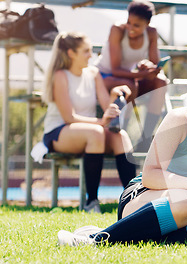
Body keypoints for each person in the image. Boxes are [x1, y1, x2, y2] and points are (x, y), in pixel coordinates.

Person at [57, 56, 187, 246]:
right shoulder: (180, 119)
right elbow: (150, 175)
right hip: (146, 199)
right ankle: (97, 240)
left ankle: (129, 237)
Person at [42, 32, 136, 213]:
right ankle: (92, 202)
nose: (90, 55)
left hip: (93, 131)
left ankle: (132, 200)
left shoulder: (93, 73)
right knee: (97, 133)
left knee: (121, 137)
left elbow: (106, 105)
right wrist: (101, 122)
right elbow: (69, 117)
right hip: (58, 132)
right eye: (85, 51)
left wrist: (115, 94)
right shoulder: (60, 75)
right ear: (71, 53)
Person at [94, 0, 168, 150]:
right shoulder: (117, 29)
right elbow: (115, 70)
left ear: (147, 24)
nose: (130, 28)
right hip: (103, 77)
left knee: (161, 82)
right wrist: (141, 73)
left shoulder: (152, 33)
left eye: (136, 25)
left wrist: (148, 66)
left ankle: (146, 138)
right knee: (128, 85)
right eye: (129, 22)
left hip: (127, 77)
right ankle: (122, 132)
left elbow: (154, 65)